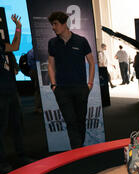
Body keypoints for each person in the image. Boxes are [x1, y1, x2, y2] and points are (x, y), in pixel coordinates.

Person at [47, 11, 95, 150]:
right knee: (70, 121)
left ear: (64, 24)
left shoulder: (81, 41)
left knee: (80, 120)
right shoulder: (52, 43)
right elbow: (50, 64)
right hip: (62, 90)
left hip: (81, 88)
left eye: (55, 24)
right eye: (52, 24)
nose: (53, 27)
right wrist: (54, 85)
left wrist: (90, 83)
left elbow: (91, 62)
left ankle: (79, 149)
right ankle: (77, 151)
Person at [0, 14, 34, 174]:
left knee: (16, 125)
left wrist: (18, 26)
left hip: (11, 90)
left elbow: (14, 46)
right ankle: (2, 163)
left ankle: (21, 156)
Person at [26, 48, 43, 113]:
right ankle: (38, 107)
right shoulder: (33, 52)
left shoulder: (31, 51)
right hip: (35, 71)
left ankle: (39, 107)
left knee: (38, 89)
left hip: (34, 71)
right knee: (38, 89)